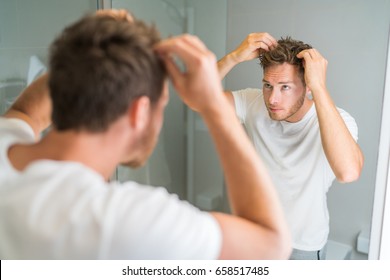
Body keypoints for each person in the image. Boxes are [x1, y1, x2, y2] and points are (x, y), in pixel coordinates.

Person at [0, 11, 291, 259]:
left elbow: (26, 112)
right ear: (139, 112)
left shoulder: (5, 141)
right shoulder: (125, 222)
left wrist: (89, 48)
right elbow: (272, 244)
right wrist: (212, 104)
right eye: (161, 103)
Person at [217, 33, 364, 260]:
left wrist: (319, 87)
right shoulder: (253, 103)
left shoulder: (338, 120)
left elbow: (348, 172)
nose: (272, 99)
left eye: (285, 87)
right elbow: (196, 98)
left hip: (302, 247)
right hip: (256, 236)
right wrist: (233, 57)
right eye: (268, 85)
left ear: (307, 87)